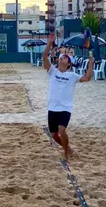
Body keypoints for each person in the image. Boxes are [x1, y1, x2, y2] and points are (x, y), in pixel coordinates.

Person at [42, 33, 95, 162]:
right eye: (61, 57)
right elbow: (44, 57)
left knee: (61, 130)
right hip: (53, 107)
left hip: (65, 108)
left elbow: (87, 78)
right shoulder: (52, 71)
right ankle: (68, 147)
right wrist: (50, 43)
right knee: (54, 134)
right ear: (59, 61)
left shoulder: (72, 76)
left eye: (66, 57)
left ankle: (65, 152)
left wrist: (91, 64)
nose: (63, 57)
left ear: (69, 64)